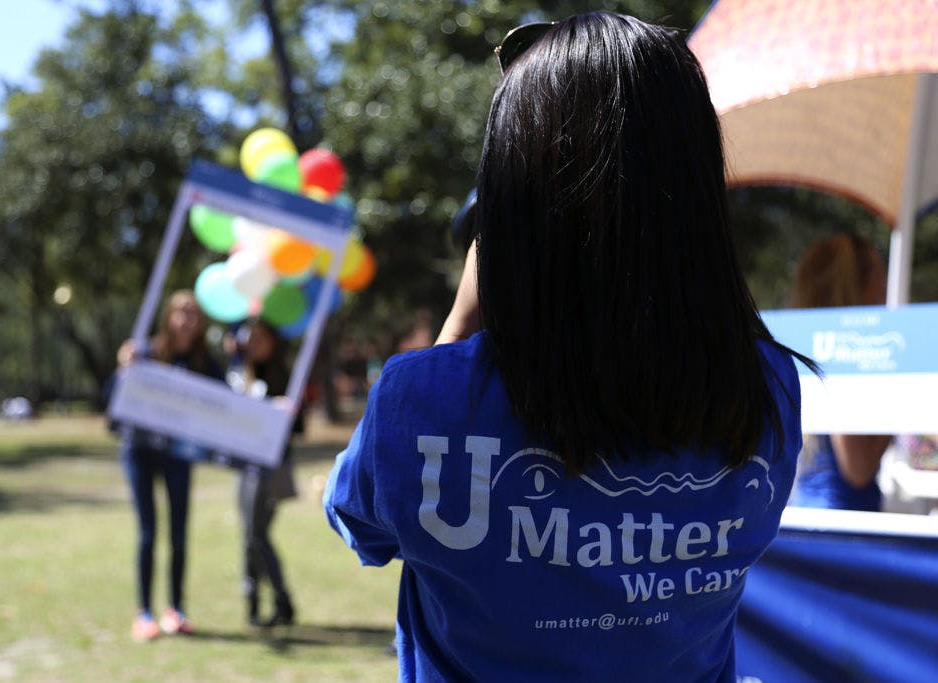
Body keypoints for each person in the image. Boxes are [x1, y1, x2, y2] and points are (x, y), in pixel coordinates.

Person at [323, 12, 813, 682]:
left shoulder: (421, 401)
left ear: (507, 215)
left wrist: (463, 316)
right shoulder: (768, 388)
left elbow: (361, 522)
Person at [115, 289, 223, 641]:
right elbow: (114, 396)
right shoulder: (143, 353)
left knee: (179, 533)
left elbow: (230, 403)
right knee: (148, 532)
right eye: (180, 311)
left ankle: (175, 609)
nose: (186, 319)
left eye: (193, 312)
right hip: (140, 450)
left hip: (179, 454)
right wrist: (124, 368)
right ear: (168, 316)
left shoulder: (205, 363)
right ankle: (143, 612)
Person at [788, 233, 892, 511]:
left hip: (813, 517)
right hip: (845, 527)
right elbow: (857, 470)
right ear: (861, 287)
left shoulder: (808, 353)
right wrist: (901, 405)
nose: (886, 291)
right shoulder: (846, 358)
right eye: (881, 279)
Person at [226, 319, 297, 627]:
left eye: (260, 338)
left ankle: (281, 600)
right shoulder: (239, 373)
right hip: (245, 463)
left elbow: (299, 426)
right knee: (249, 534)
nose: (254, 343)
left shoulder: (284, 374)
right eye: (249, 338)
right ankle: (254, 601)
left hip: (272, 465)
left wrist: (279, 409)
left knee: (257, 534)